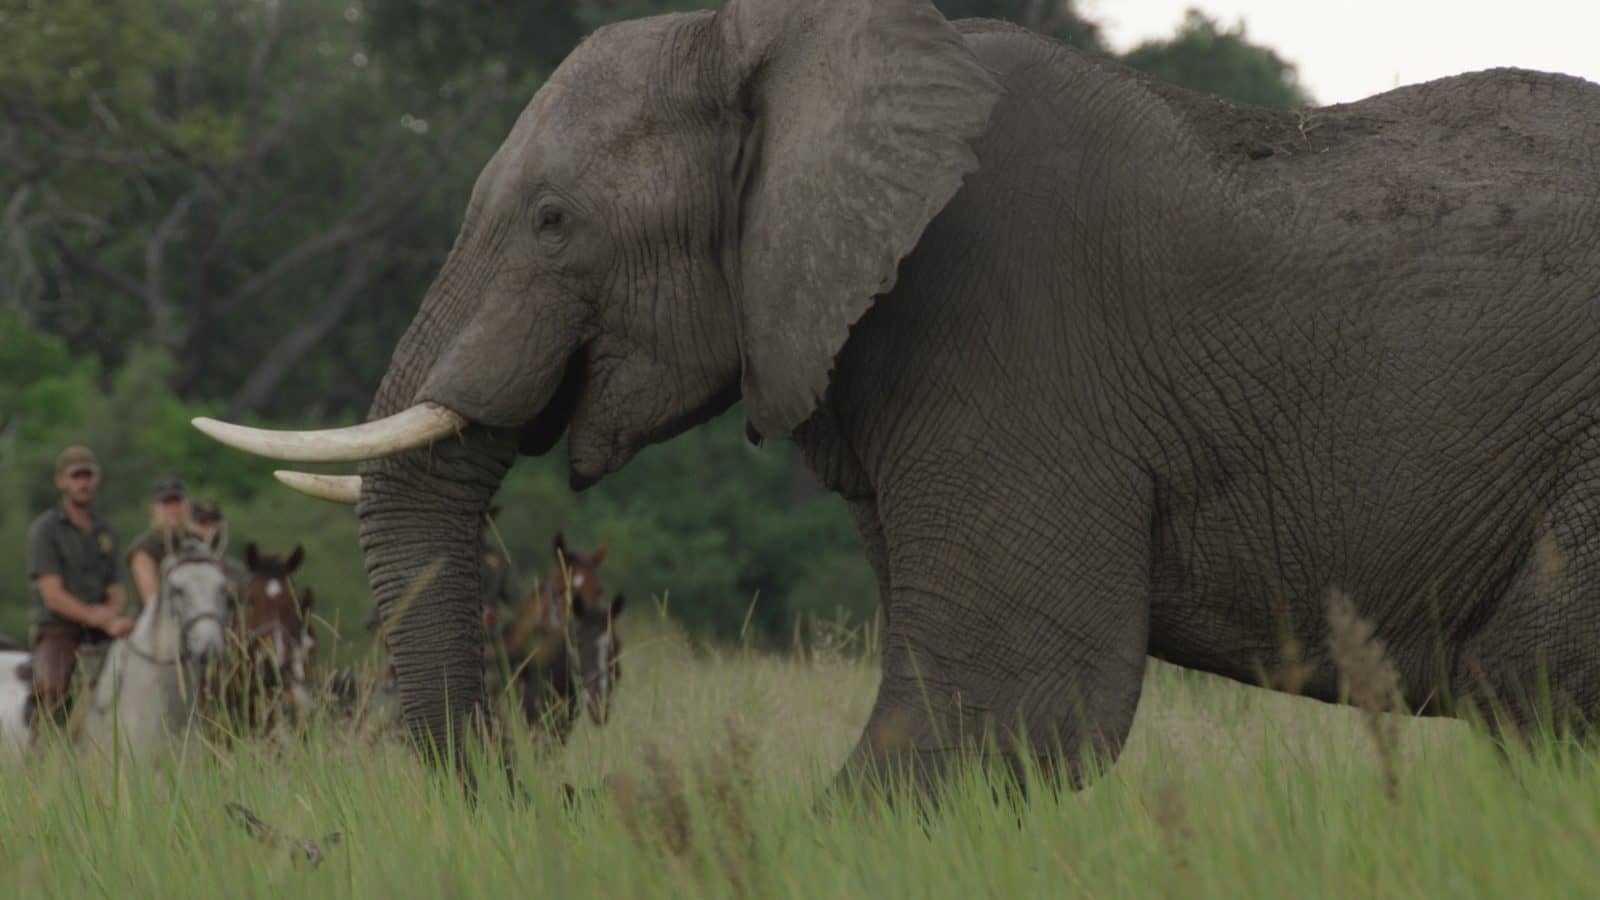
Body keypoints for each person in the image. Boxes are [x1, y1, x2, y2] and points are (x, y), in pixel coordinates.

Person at [26, 445, 135, 723]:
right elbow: (52, 595)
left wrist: (111, 616)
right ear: (61, 481)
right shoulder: (45, 530)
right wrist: (98, 618)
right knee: (52, 690)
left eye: (88, 476)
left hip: (103, 626)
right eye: (76, 477)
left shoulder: (106, 530)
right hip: (58, 628)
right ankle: (41, 752)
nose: (83, 483)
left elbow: (117, 587)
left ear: (96, 479)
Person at [126, 476, 193, 612]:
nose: (173, 509)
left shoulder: (196, 542)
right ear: (155, 509)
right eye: (167, 504)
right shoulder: (146, 547)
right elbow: (152, 601)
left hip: (197, 619)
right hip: (155, 621)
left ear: (186, 505)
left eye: (177, 502)